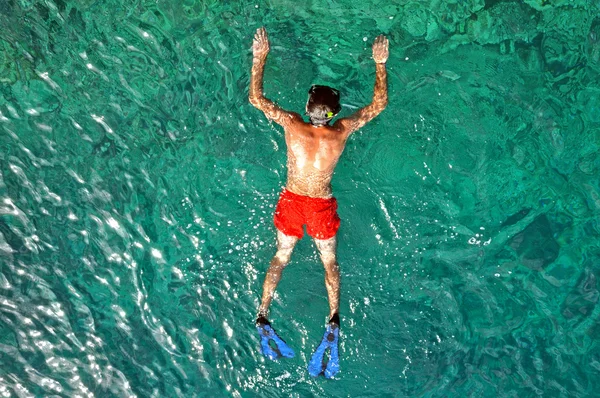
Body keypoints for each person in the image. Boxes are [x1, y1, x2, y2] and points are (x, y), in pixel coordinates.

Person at [249, 27, 389, 378]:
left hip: (292, 201)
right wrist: (380, 63)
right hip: (321, 206)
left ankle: (263, 312)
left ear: (308, 109)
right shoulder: (341, 129)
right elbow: (379, 105)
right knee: (330, 263)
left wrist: (260, 57)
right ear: (333, 112)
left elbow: (256, 99)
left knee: (281, 256)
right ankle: (333, 321)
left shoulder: (292, 124)